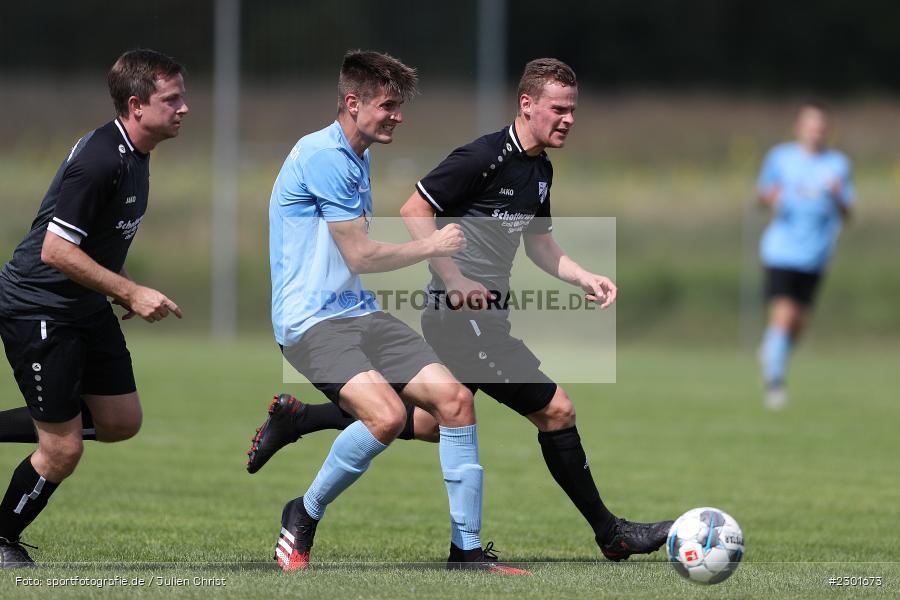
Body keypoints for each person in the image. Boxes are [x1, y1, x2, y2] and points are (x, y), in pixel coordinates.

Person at [248, 58, 673, 562]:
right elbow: (407, 217)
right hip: (428, 318)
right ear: (527, 104)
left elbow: (539, 243)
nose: (569, 119)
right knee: (553, 410)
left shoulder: (537, 169)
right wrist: (450, 274)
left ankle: (306, 422)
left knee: (436, 419)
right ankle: (610, 534)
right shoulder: (480, 157)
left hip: (376, 312)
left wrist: (583, 276)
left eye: (572, 110)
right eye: (559, 108)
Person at [263, 50, 527, 574]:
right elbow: (359, 254)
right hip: (310, 322)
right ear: (353, 102)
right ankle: (304, 511)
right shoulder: (323, 155)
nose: (397, 116)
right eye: (388, 105)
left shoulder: (357, 152)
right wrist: (434, 247)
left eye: (400, 106)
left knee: (451, 405)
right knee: (384, 417)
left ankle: (467, 554)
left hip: (358, 313)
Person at [0, 49, 188, 568]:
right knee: (62, 451)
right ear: (136, 105)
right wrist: (129, 293)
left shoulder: (137, 155)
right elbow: (55, 251)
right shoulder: (102, 158)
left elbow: (91, 243)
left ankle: (47, 422)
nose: (184, 108)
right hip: (40, 305)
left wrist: (117, 283)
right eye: (172, 99)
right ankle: (2, 538)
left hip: (81, 304)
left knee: (120, 419)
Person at [756, 103, 854, 410]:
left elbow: (848, 212)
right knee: (784, 317)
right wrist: (768, 197)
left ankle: (772, 351)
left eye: (821, 125)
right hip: (782, 250)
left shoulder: (838, 165)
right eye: (810, 124)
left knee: (798, 325)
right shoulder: (780, 158)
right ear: (799, 127)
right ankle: (774, 385)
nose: (816, 130)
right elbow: (761, 196)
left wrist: (838, 195)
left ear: (828, 130)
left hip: (816, 255)